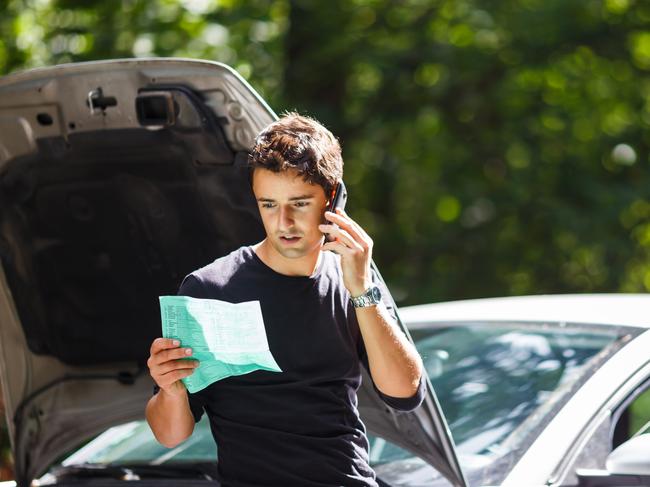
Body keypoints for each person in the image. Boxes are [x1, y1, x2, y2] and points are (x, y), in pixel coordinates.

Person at [145, 113, 426, 487]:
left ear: (332, 199)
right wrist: (169, 388)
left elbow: (405, 394)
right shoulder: (210, 288)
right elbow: (170, 435)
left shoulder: (354, 278)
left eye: (299, 204)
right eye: (269, 205)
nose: (283, 223)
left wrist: (361, 290)